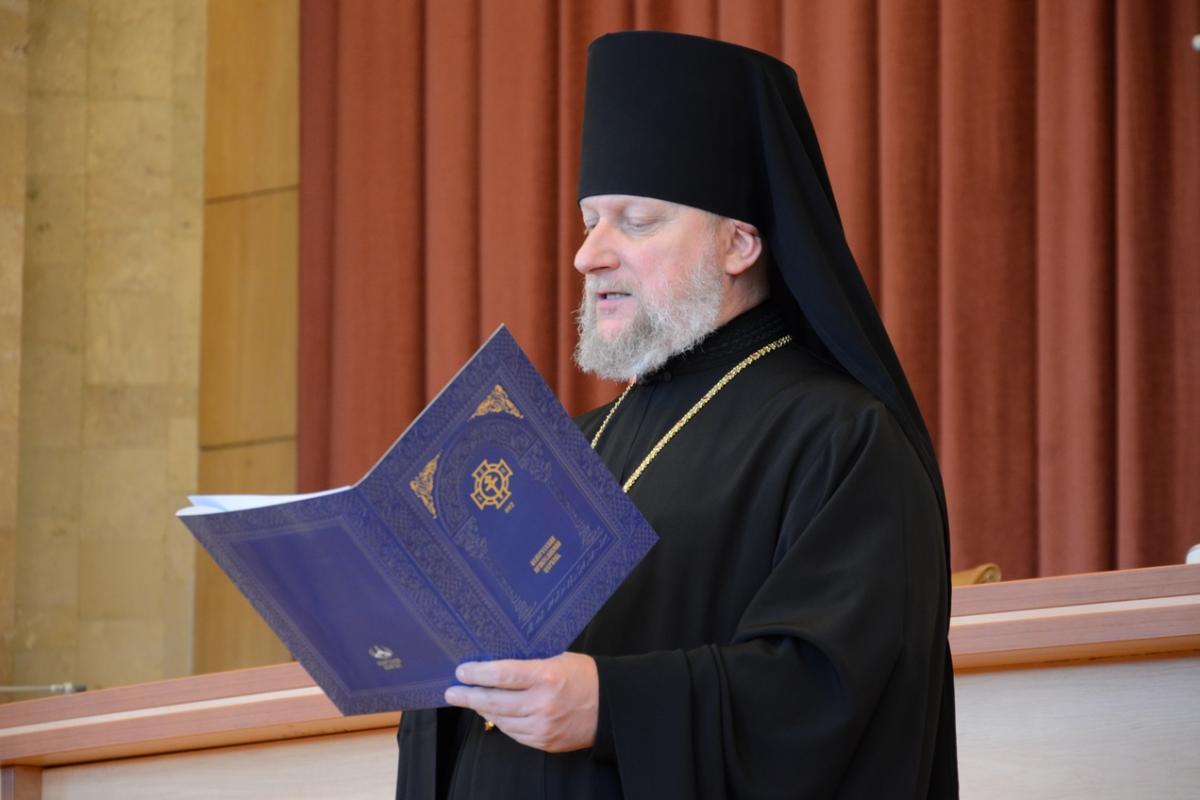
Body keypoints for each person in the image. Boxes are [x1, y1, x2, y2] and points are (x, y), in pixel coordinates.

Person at [396, 31, 957, 799]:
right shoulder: (568, 448)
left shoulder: (842, 441)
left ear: (740, 243)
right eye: (590, 219)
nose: (588, 255)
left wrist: (613, 707)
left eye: (635, 220)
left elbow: (830, 696)